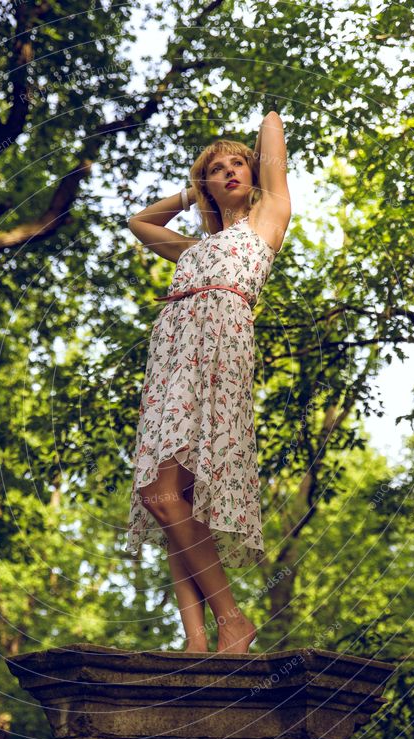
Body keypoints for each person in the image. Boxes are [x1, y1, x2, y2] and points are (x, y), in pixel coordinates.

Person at [124, 112, 291, 654]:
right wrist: (190, 190)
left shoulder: (266, 219)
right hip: (172, 363)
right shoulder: (192, 249)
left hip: (217, 356)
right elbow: (140, 221)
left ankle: (232, 618)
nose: (229, 171)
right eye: (216, 169)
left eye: (237, 163)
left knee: (163, 494)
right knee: (175, 500)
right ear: (206, 185)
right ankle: (197, 639)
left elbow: (271, 131)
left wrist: (258, 136)